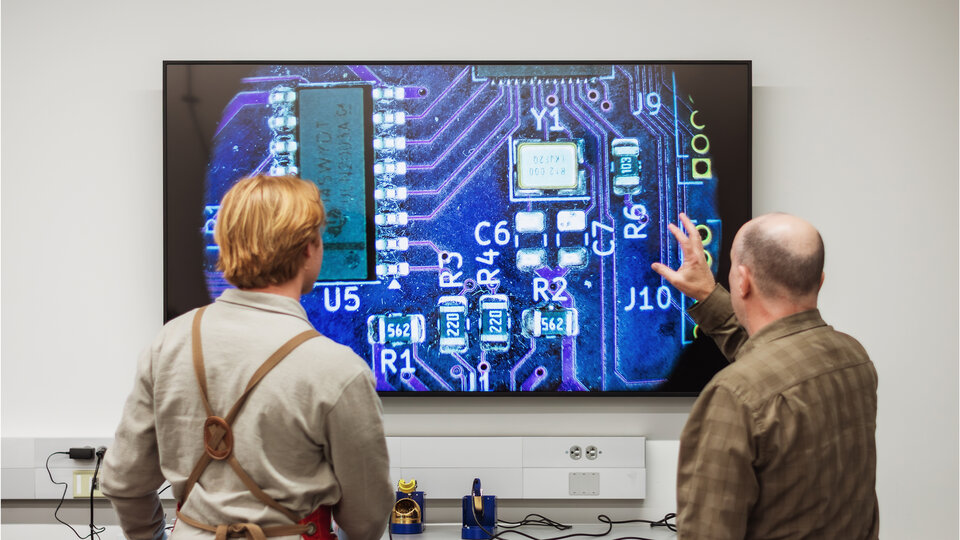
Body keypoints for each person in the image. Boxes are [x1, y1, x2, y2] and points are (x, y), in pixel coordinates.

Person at [101, 175, 394, 540]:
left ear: (225, 245)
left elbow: (123, 481)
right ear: (308, 248)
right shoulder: (338, 368)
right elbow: (366, 519)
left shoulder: (168, 344)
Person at [652, 212, 879, 540]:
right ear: (820, 280)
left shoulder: (734, 395)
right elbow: (775, 359)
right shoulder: (852, 358)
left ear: (742, 281)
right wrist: (706, 293)